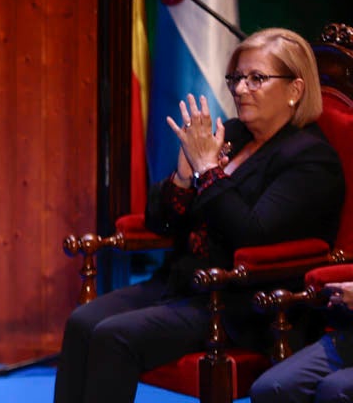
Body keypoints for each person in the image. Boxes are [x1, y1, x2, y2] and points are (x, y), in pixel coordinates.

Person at [54, 27, 347, 403]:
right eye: (236, 78)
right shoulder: (233, 135)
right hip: (183, 284)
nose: (240, 89)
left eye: (256, 78)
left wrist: (207, 172)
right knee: (82, 322)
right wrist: (182, 177)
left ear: (295, 90)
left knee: (115, 335)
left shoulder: (310, 159)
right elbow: (162, 223)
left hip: (241, 304)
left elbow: (252, 234)